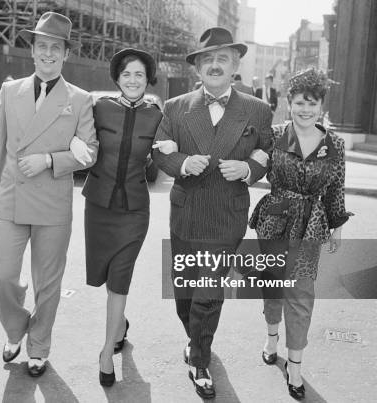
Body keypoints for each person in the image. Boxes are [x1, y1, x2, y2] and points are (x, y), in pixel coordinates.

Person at [152, 27, 273, 399]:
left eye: (223, 58)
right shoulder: (175, 107)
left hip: (226, 217)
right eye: (208, 59)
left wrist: (249, 170)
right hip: (186, 213)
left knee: (208, 293)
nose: (215, 65)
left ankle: (199, 360)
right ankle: (195, 339)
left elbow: (266, 151)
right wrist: (183, 162)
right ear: (197, 68)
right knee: (184, 291)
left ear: (235, 65)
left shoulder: (257, 109)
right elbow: (160, 151)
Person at [0, 11, 98, 378]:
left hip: (52, 201)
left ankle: (38, 347)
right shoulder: (9, 90)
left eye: (56, 47)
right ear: (31, 51)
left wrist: (49, 159)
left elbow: (89, 151)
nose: (48, 53)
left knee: (48, 284)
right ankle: (15, 328)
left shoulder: (80, 99)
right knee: (3, 276)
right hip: (12, 198)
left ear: (65, 55)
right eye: (42, 45)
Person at [249, 67, 351, 400]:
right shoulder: (274, 135)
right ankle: (271, 337)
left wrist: (336, 226)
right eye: (299, 103)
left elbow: (336, 187)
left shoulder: (335, 143)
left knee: (302, 295)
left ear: (321, 106)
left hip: (311, 225)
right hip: (274, 221)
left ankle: (294, 365)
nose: (305, 110)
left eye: (312, 103)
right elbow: (253, 167)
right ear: (288, 104)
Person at [81, 48, 162, 387]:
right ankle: (120, 324)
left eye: (139, 75)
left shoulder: (157, 116)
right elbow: (82, 144)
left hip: (134, 211)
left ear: (147, 80)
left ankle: (105, 353)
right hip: (98, 206)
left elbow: (157, 171)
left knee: (120, 280)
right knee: (105, 276)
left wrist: (161, 155)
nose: (132, 80)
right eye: (127, 74)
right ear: (117, 78)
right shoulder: (97, 108)